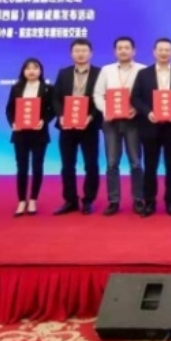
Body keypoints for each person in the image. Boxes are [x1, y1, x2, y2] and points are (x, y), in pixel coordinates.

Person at [131, 38, 171, 217]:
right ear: (154, 52)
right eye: (160, 50)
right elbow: (135, 98)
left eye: (167, 50)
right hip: (150, 127)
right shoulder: (143, 74)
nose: (163, 53)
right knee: (150, 167)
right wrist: (148, 112)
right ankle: (150, 202)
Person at [93, 37, 146, 216]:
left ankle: (138, 199)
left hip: (134, 121)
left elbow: (146, 96)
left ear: (133, 51)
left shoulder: (142, 70)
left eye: (127, 47)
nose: (123, 51)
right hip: (111, 122)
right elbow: (97, 94)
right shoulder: (106, 70)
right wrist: (106, 110)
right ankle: (113, 201)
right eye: (120, 48)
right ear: (115, 51)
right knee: (112, 163)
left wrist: (137, 110)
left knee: (136, 162)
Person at [51, 38, 101, 215]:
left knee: (91, 164)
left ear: (91, 53)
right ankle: (70, 200)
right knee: (67, 165)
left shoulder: (99, 73)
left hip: (89, 126)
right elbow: (56, 98)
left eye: (84, 50)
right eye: (77, 51)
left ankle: (88, 200)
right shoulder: (64, 73)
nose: (80, 54)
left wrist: (91, 116)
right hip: (67, 126)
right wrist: (61, 116)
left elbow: (102, 98)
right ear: (71, 54)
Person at [5, 57, 54, 217]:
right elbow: (9, 109)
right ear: (23, 71)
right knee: (22, 167)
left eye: (35, 68)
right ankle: (21, 200)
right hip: (20, 133)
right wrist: (13, 123)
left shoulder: (47, 88)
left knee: (37, 166)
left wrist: (43, 121)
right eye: (28, 68)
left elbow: (52, 110)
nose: (31, 71)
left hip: (39, 133)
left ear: (40, 71)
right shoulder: (16, 88)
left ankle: (33, 199)